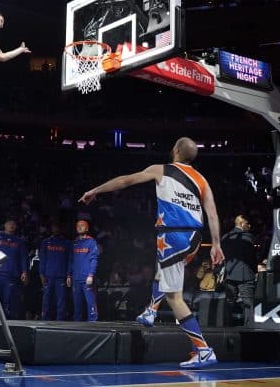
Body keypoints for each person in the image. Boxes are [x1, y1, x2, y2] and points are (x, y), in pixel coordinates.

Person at [79, 137, 224, 368]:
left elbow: (127, 180)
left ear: (175, 150)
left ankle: (203, 349)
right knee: (161, 267)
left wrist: (96, 190)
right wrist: (216, 244)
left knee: (174, 296)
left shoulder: (162, 169)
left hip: (173, 235)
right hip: (195, 238)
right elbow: (213, 215)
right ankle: (151, 310)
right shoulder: (201, 179)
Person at [0, 216, 28, 319]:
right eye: (9, 222)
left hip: (12, 276)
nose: (11, 225)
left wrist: (24, 272)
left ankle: (7, 327)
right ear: (4, 225)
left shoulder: (19, 241)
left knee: (8, 303)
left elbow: (23, 258)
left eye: (14, 223)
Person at [221, 215, 257, 314]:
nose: (249, 226)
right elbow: (250, 257)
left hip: (229, 274)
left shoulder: (225, 237)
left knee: (229, 302)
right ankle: (249, 327)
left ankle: (226, 326)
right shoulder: (247, 237)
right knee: (248, 303)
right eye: (247, 224)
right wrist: (255, 270)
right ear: (241, 224)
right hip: (245, 274)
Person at [40, 222, 72, 320]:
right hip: (48, 276)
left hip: (61, 277)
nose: (55, 228)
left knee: (61, 301)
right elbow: (42, 259)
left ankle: (60, 321)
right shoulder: (46, 242)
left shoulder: (66, 243)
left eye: (57, 226)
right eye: (53, 226)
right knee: (46, 300)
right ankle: (45, 320)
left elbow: (69, 260)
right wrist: (41, 274)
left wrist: (68, 275)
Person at [68, 219, 99, 322]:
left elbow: (94, 259)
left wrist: (91, 275)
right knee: (76, 304)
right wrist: (69, 275)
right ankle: (77, 325)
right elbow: (71, 261)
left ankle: (93, 323)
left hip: (87, 279)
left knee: (90, 302)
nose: (79, 227)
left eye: (82, 225)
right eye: (78, 226)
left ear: (87, 228)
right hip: (76, 279)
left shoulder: (91, 242)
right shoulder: (74, 243)